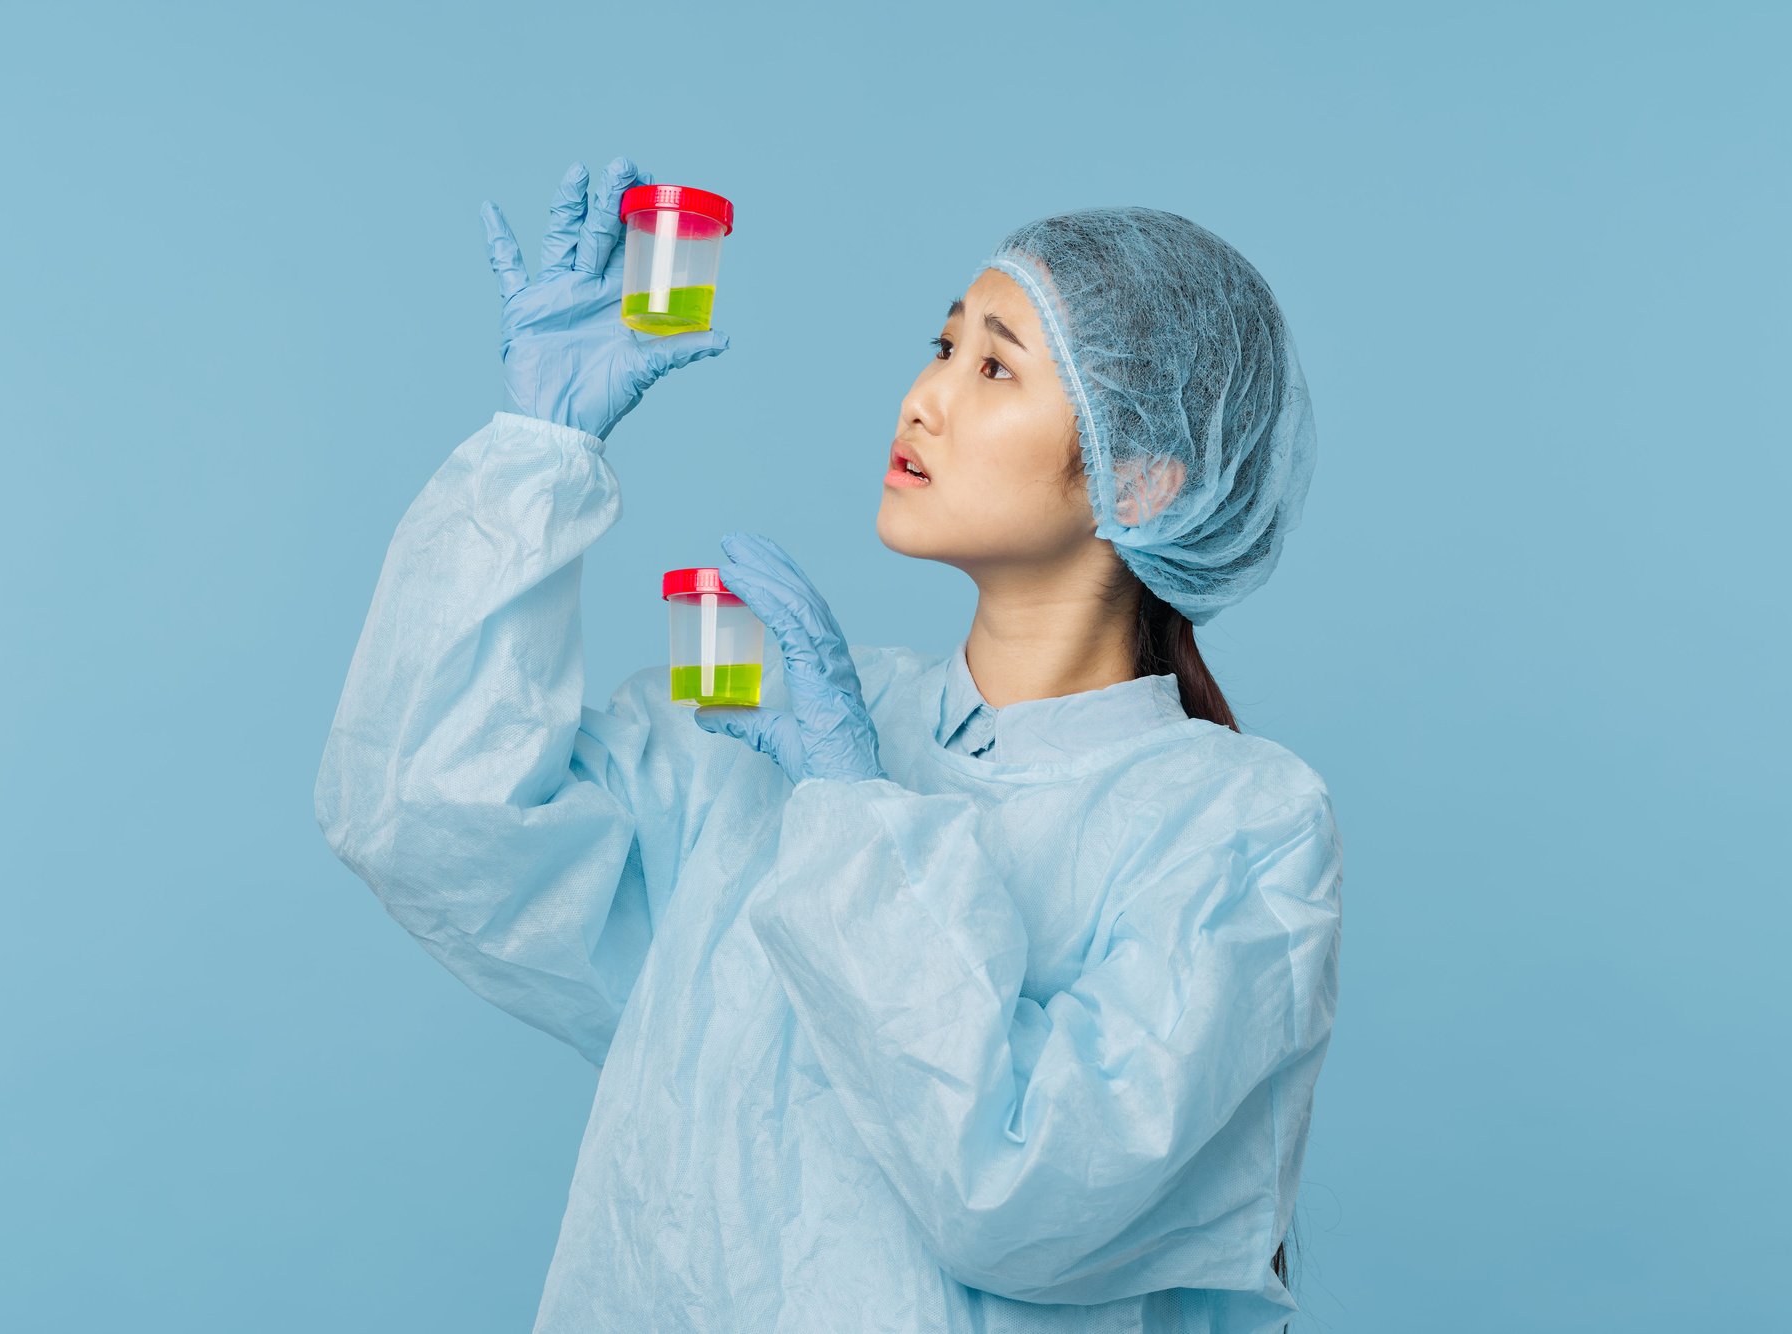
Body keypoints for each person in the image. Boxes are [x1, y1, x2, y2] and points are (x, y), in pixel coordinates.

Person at [314, 152, 1342, 1334]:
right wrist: (532, 451)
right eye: (942, 343)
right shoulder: (779, 730)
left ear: (1150, 479)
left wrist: (853, 811)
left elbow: (1023, 1193)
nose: (925, 394)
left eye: (995, 363)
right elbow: (425, 821)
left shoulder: (1238, 827)